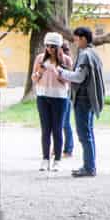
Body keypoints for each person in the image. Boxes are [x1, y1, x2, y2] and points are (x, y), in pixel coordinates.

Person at [59, 26, 106, 177]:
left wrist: (61, 72)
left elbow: (79, 77)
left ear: (84, 38)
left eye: (77, 38)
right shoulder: (93, 53)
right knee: (88, 133)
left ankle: (89, 167)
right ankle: (89, 165)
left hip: (83, 99)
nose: (75, 41)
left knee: (84, 134)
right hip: (89, 99)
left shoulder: (85, 55)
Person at [31, 31, 71, 172]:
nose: (49, 49)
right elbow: (34, 79)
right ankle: (45, 159)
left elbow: (67, 81)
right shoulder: (40, 58)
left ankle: (57, 160)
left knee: (57, 129)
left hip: (59, 97)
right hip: (42, 96)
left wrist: (56, 71)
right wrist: (40, 72)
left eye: (53, 46)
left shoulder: (66, 60)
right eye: (47, 46)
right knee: (45, 129)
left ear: (59, 46)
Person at [59, 42, 76, 161]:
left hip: (66, 95)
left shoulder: (67, 60)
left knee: (65, 122)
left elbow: (69, 79)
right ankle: (58, 148)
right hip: (57, 94)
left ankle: (68, 149)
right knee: (59, 123)